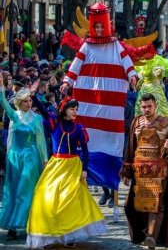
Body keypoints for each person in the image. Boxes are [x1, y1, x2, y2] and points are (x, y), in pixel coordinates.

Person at [60, 2, 138, 192]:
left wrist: (133, 76)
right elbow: (75, 66)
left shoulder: (116, 45)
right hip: (89, 104)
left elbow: (128, 64)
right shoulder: (86, 46)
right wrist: (66, 82)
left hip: (110, 108)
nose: (100, 29)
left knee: (110, 144)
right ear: (93, 25)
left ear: (107, 24)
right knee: (89, 140)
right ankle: (92, 185)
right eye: (97, 26)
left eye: (102, 25)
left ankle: (111, 188)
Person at [26, 88, 107, 248]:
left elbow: (85, 151)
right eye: (72, 108)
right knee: (48, 196)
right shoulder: (54, 122)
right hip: (56, 165)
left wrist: (84, 169)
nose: (75, 111)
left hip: (73, 166)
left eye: (76, 109)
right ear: (64, 110)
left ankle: (70, 234)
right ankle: (50, 232)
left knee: (69, 198)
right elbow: (43, 110)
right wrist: (34, 96)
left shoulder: (79, 128)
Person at [120, 93, 168, 249]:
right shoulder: (136, 122)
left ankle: (152, 237)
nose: (146, 109)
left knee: (157, 204)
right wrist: (126, 171)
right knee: (136, 204)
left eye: (149, 106)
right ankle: (144, 233)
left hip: (159, 171)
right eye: (143, 107)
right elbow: (130, 148)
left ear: (155, 105)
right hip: (139, 171)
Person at [0, 78, 47, 240]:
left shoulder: (36, 119)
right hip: (14, 159)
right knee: (12, 191)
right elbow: (4, 104)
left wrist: (45, 160)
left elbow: (41, 141)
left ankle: (30, 223)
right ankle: (12, 225)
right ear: (19, 102)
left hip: (31, 159)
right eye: (25, 101)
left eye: (30, 100)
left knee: (26, 191)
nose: (28, 103)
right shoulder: (14, 116)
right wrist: (1, 88)